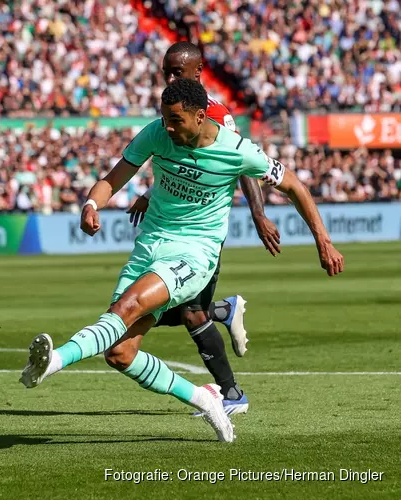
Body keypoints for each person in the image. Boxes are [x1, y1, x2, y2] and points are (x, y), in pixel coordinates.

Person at [20, 79, 344, 443]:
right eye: (165, 120)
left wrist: (323, 242)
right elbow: (113, 179)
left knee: (129, 305)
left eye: (176, 121)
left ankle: (54, 361)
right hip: (150, 246)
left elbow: (296, 187)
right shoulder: (157, 133)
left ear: (201, 115)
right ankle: (204, 398)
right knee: (120, 353)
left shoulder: (237, 150)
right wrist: (92, 204)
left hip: (195, 253)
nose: (169, 128)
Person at [125, 41, 280, 414]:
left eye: (177, 72)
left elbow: (239, 162)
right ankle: (223, 315)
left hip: (202, 231)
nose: (170, 78)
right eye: (166, 71)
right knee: (165, 312)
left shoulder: (216, 114)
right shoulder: (174, 107)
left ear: (198, 72)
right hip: (176, 226)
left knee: (187, 312)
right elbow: (180, 163)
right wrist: (150, 191)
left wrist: (258, 214)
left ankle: (231, 395)